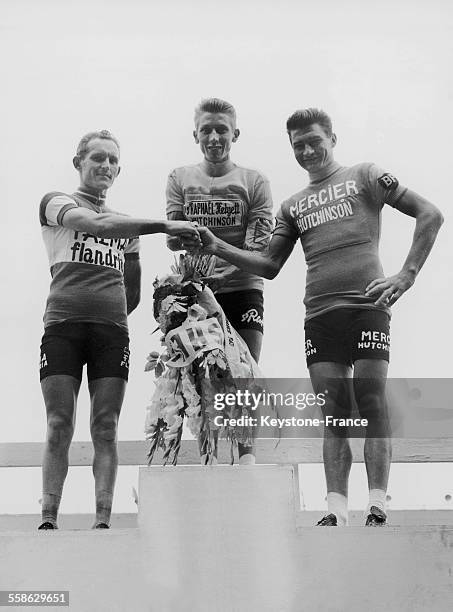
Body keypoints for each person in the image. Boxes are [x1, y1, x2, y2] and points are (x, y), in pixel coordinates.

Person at [183, 108, 444, 524]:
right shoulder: (293, 206)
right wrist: (215, 245)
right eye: (298, 146)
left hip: (366, 308)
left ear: (332, 139)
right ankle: (335, 509)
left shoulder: (366, 175)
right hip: (319, 315)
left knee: (372, 400)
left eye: (313, 142)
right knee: (334, 410)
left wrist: (406, 275)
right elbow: (267, 265)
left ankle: (376, 503)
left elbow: (430, 213)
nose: (306, 151)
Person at [39, 130, 199, 530]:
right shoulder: (56, 202)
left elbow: (132, 293)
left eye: (112, 160)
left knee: (105, 425)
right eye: (97, 157)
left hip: (111, 331)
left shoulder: (129, 227)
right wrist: (166, 224)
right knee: (60, 421)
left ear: (119, 169)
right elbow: (97, 225)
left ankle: (103, 520)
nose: (105, 165)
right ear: (78, 162)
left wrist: (107, 309)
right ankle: (48, 518)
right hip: (62, 326)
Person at [165, 98, 273, 465]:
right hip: (195, 292)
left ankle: (246, 458)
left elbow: (259, 253)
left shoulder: (254, 181)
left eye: (221, 130)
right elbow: (173, 237)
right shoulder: (179, 178)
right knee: (199, 380)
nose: (214, 137)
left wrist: (212, 244)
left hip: (243, 291)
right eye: (206, 130)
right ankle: (206, 457)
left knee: (242, 375)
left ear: (235, 134)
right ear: (195, 133)